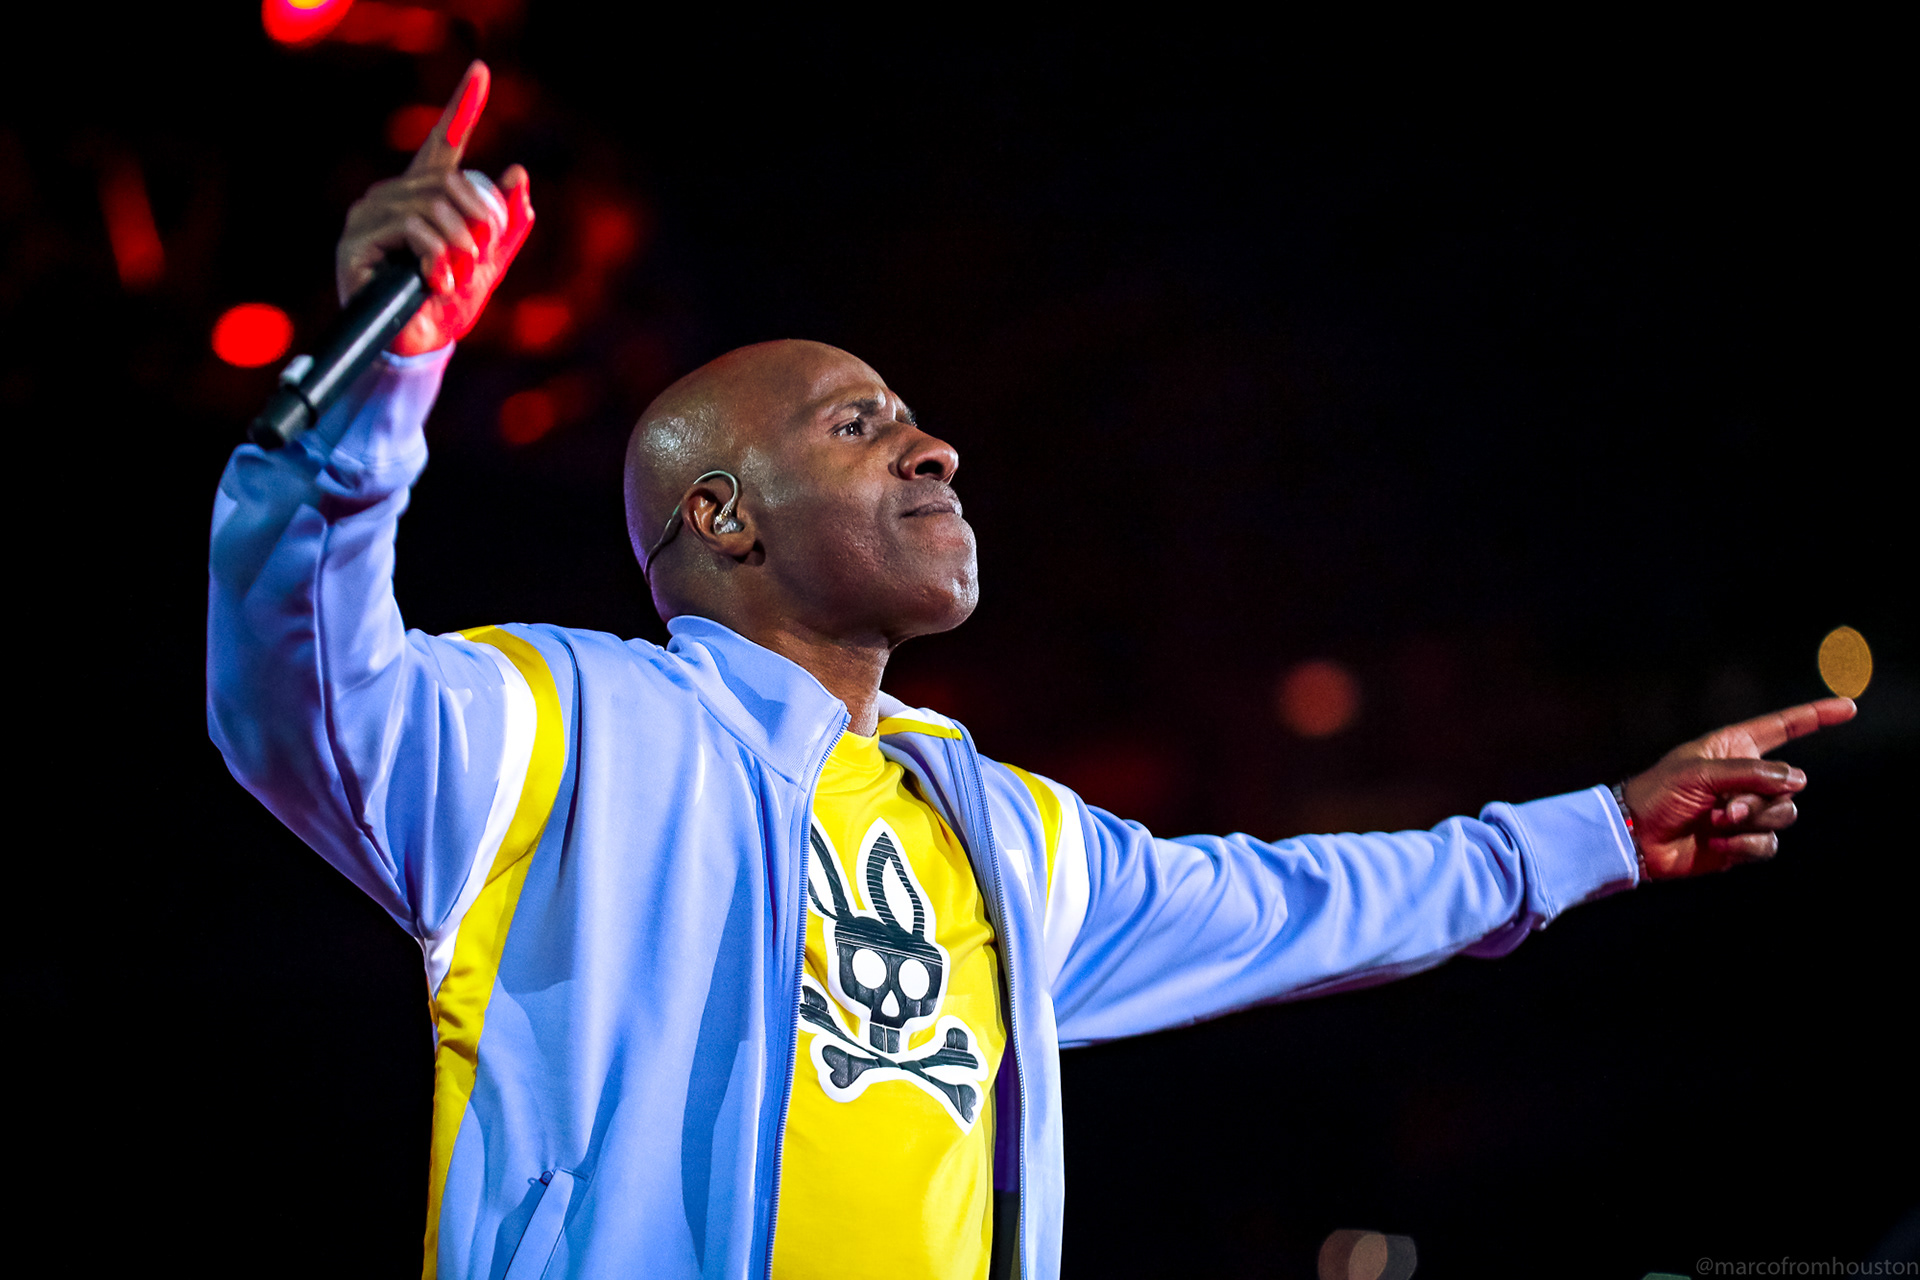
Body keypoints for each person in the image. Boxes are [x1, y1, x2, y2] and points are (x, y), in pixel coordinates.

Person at [206, 64, 1853, 1280]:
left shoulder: (997, 831)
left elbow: (1301, 903)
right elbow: (305, 675)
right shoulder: (562, 731)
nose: (934, 446)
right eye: (859, 423)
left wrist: (1599, 835)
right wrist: (383, 379)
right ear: (724, 514)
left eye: (917, 418)